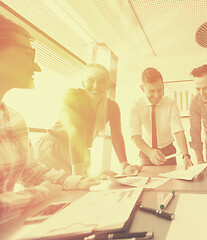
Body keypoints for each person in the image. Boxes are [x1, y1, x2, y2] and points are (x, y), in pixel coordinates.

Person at [0, 14, 98, 223]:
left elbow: (32, 172)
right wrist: (41, 192)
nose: (37, 67)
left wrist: (82, 181)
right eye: (29, 54)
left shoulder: (15, 121)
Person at [35, 64, 142, 176]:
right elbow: (76, 134)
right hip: (53, 149)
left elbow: (117, 137)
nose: (96, 86)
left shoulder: (113, 107)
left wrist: (125, 165)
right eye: (90, 80)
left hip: (80, 151)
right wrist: (78, 177)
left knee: (79, 190)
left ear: (108, 86)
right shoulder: (72, 96)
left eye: (102, 82)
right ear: (83, 83)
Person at [130, 67, 193, 169]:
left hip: (168, 152)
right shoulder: (136, 106)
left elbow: (178, 130)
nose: (157, 95)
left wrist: (186, 155)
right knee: (147, 183)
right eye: (151, 91)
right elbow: (135, 135)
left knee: (171, 183)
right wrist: (150, 152)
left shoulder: (171, 103)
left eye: (160, 90)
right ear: (142, 88)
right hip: (146, 152)